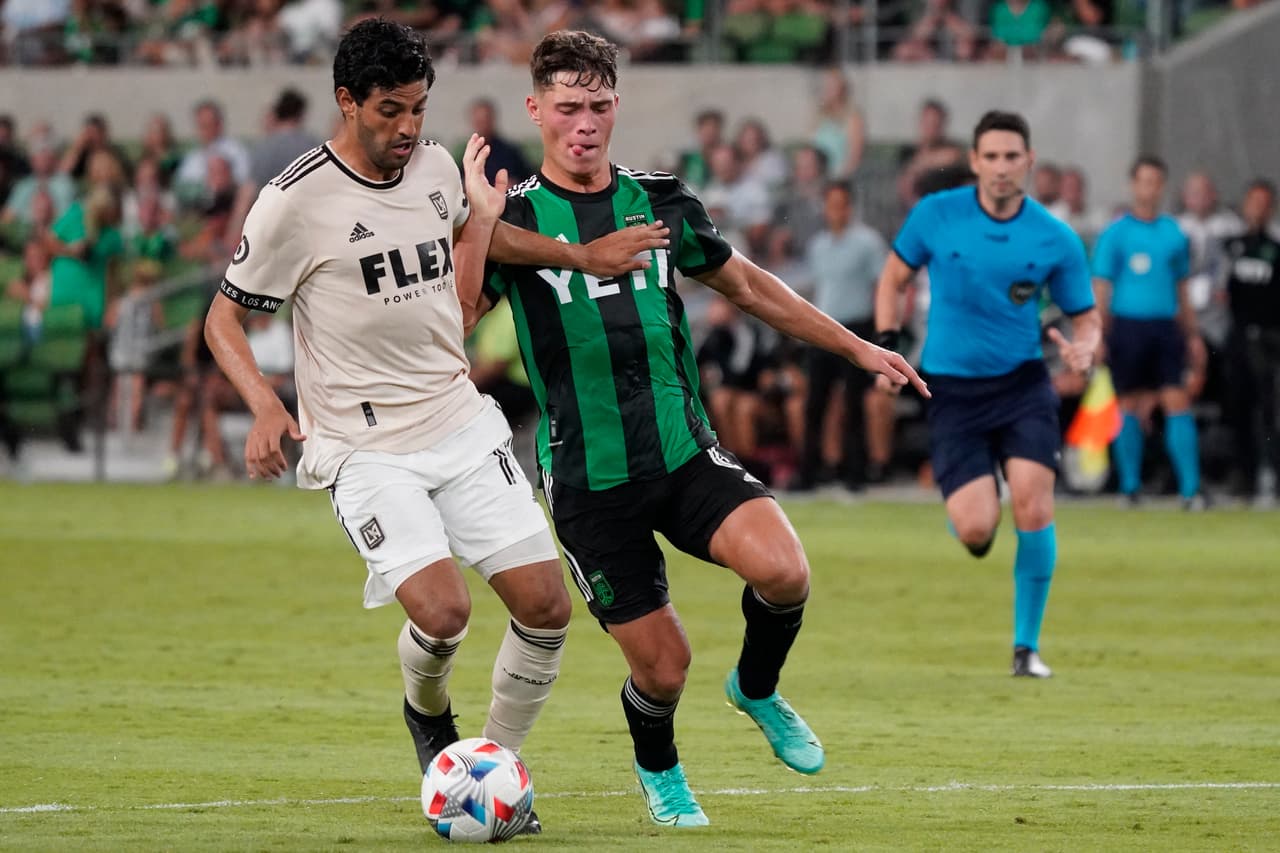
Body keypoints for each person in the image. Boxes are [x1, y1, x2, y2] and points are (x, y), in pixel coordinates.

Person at [201, 18, 666, 836]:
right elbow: (222, 319)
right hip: (364, 445)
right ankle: (429, 716)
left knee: (547, 606)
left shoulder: (434, 165)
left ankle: (490, 769)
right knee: (445, 612)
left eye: (418, 108)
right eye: (391, 110)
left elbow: (476, 238)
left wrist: (577, 255)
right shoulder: (294, 201)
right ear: (348, 101)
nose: (408, 126)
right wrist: (267, 405)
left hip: (457, 419)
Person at [469, 30, 925, 827]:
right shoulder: (511, 220)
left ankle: (756, 685)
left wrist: (856, 347)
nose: (585, 123)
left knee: (785, 570)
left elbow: (749, 285)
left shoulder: (661, 199)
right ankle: (661, 769)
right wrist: (476, 226)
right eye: (568, 107)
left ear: (617, 106)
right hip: (589, 479)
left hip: (682, 451)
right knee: (665, 667)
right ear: (535, 110)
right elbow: (452, 316)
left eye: (598, 105)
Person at [873, 110, 1101, 679]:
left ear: (1029, 161)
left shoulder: (1054, 237)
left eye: (1011, 156)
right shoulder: (936, 214)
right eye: (991, 156)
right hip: (952, 389)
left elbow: (1086, 316)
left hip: (1023, 385)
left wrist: (1085, 348)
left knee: (1034, 503)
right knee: (977, 530)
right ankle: (975, 508)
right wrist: (886, 346)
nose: (1001, 167)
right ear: (975, 162)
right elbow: (893, 279)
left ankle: (1027, 649)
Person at [1092, 156, 1205, 508]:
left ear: (1163, 186)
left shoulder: (1173, 233)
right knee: (1128, 403)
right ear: (1133, 185)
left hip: (1165, 326)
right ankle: (1130, 487)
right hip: (1127, 326)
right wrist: (1098, 335)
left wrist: (1192, 335)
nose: (1149, 189)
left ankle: (1190, 491)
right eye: (1144, 181)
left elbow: (1182, 289)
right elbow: (1101, 288)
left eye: (1156, 182)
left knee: (1177, 400)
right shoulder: (1116, 234)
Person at [792, 181, 889, 492]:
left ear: (850, 206)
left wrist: (882, 331)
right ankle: (808, 472)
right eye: (831, 204)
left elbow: (883, 285)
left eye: (841, 204)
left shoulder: (867, 242)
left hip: (857, 327)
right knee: (814, 404)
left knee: (853, 402)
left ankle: (855, 472)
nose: (836, 211)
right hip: (823, 328)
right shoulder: (818, 245)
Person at [1222, 179, 1280, 506]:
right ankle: (1242, 474)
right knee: (1238, 407)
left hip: (1269, 338)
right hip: (1238, 337)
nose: (1258, 209)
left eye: (1264, 203)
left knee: (1269, 410)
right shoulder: (1231, 247)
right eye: (1253, 201)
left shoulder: (1275, 250)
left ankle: (1272, 473)